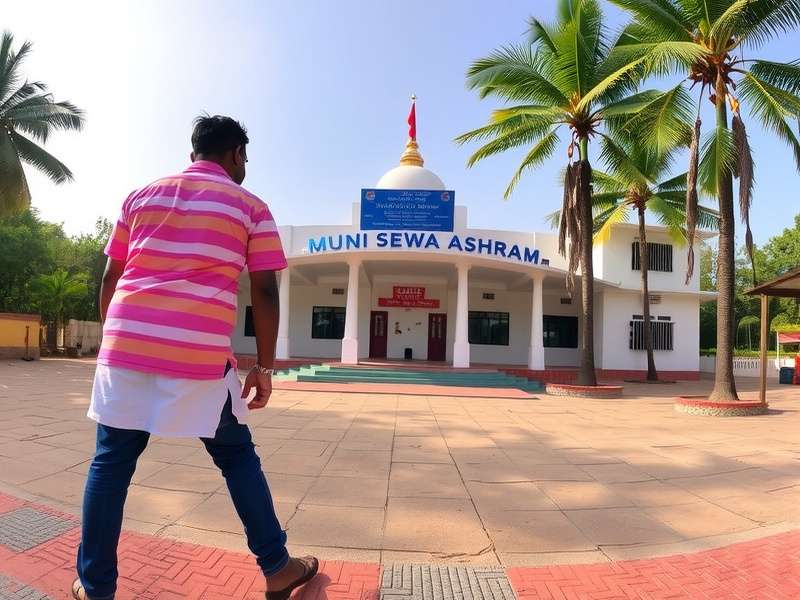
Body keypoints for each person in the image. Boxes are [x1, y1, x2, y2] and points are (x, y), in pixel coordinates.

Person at [73, 115, 317, 600]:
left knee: (111, 463)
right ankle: (277, 566)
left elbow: (110, 277)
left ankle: (96, 588)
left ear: (193, 154)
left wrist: (115, 343)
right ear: (236, 154)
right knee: (235, 455)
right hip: (198, 353)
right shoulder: (250, 206)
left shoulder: (140, 196)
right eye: (245, 157)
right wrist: (263, 368)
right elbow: (265, 292)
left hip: (126, 343)